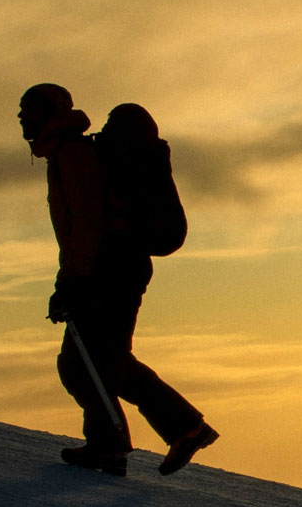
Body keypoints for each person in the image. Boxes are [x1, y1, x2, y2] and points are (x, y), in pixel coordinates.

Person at [19, 83, 217, 478]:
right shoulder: (66, 152)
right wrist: (69, 279)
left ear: (50, 112)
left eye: (29, 109)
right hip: (108, 265)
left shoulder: (73, 155)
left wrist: (71, 282)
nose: (22, 117)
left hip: (110, 266)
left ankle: (182, 427)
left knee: (102, 361)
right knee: (84, 364)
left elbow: (89, 224)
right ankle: (112, 446)